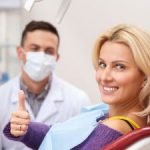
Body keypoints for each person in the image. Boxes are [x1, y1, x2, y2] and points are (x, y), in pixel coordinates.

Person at [3, 23, 150, 150]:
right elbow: (56, 135)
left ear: (145, 76)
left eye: (119, 66)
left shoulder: (112, 129)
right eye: (102, 64)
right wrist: (24, 128)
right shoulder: (106, 115)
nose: (104, 77)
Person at [0, 20, 90, 150]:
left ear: (56, 58)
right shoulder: (1, 97)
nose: (41, 56)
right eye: (34, 49)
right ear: (20, 53)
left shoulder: (78, 100)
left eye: (49, 51)